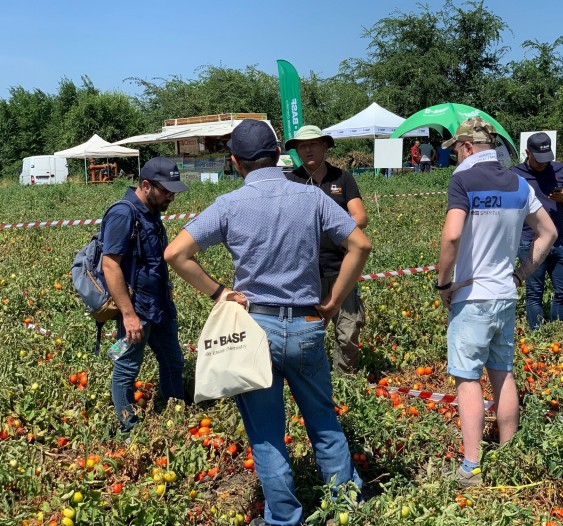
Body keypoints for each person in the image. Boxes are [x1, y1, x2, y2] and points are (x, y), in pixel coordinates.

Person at [164, 120, 371, 526]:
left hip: (255, 331)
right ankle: (346, 507)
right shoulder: (311, 198)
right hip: (308, 324)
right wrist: (333, 301)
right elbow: (359, 244)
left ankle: (283, 516)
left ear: (235, 162)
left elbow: (176, 254)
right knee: (323, 420)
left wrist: (219, 292)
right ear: (280, 155)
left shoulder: (228, 205)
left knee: (265, 433)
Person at [436, 118, 556, 487]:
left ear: (468, 146)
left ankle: (471, 467)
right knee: (503, 373)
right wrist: (521, 274)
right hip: (505, 294)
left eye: (456, 148)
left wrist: (443, 284)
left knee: (468, 378)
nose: (455, 155)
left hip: (472, 296)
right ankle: (510, 456)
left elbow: (452, 236)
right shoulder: (520, 184)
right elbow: (548, 232)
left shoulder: (463, 181)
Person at [101, 157, 188, 436]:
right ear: (146, 185)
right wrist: (128, 315)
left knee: (173, 361)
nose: (171, 196)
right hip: (136, 309)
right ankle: (129, 430)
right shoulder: (123, 213)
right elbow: (110, 264)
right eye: (166, 190)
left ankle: (178, 415)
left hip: (159, 305)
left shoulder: (151, 211)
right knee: (127, 368)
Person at [285, 125, 368, 374]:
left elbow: (360, 216)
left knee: (348, 332)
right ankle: (314, 380)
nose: (307, 149)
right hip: (306, 272)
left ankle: (346, 382)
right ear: (297, 151)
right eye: (302, 146)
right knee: (309, 332)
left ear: (324, 146)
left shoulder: (342, 178)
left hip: (344, 267)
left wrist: (329, 227)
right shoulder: (290, 181)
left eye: (313, 144)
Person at [511, 132, 563, 329]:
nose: (543, 164)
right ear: (527, 152)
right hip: (529, 240)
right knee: (535, 292)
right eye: (538, 159)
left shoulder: (559, 169)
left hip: (558, 240)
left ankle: (557, 332)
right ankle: (538, 335)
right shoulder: (515, 174)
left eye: (546, 158)